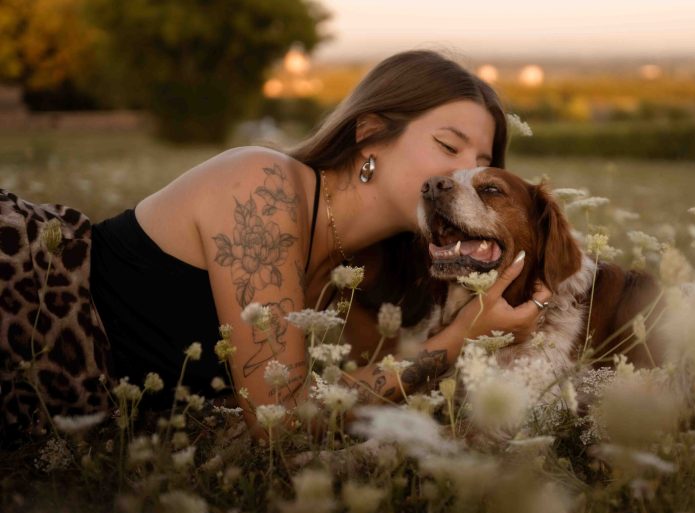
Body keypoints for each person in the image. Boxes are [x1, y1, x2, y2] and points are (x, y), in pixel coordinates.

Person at [0, 50, 551, 442]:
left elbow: (360, 402)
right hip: (28, 294)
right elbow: (280, 420)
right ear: (369, 134)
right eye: (447, 146)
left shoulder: (371, 267)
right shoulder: (263, 186)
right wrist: (460, 339)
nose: (462, 179)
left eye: (482, 168)